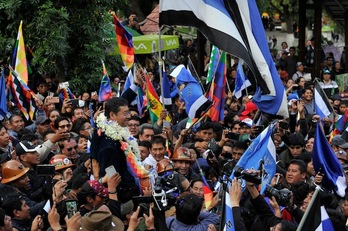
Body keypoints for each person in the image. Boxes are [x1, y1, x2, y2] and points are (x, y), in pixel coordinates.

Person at [91, 97, 140, 202]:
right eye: (125, 113)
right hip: (119, 197)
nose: (129, 116)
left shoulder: (101, 128)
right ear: (112, 115)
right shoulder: (109, 145)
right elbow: (112, 176)